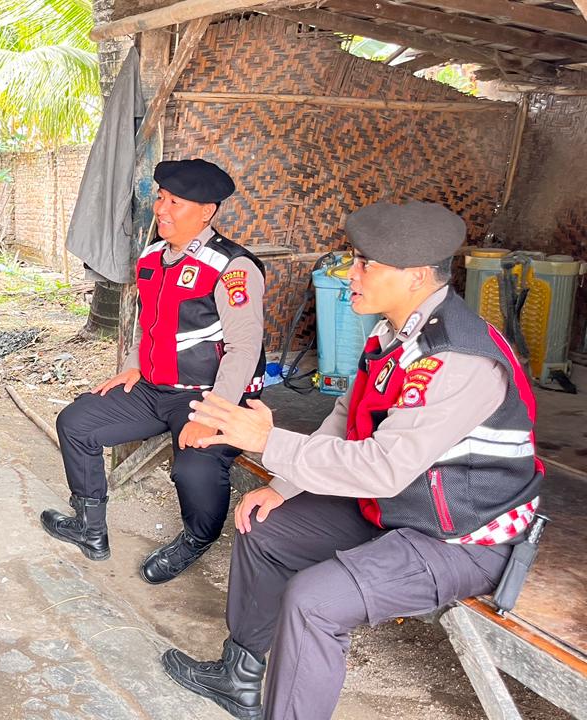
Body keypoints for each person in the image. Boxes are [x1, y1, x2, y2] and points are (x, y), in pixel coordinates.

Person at [163, 201, 543, 720]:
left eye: (366, 264)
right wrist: (283, 483)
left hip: (461, 537)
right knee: (263, 526)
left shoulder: (457, 358)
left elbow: (383, 467)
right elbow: (347, 417)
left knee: (314, 602)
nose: (350, 274)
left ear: (414, 276)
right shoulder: (395, 332)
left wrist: (270, 441)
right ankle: (240, 675)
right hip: (399, 506)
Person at [41, 159, 266, 582]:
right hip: (153, 387)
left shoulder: (232, 267)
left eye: (175, 202)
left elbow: (244, 348)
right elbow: (148, 324)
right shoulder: (151, 259)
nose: (161, 209)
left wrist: (211, 414)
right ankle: (89, 528)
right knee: (76, 422)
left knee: (195, 467)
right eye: (161, 197)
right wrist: (133, 365)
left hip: (208, 394)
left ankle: (196, 539)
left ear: (207, 211)